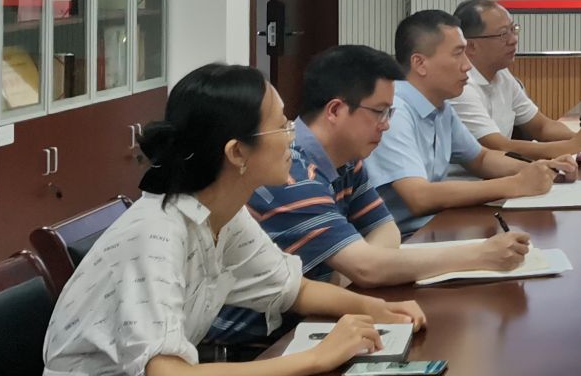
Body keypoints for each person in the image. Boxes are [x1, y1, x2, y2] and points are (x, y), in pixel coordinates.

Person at [38, 64, 427, 376]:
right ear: (237, 152)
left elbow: (292, 289)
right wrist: (316, 358)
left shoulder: (220, 213)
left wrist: (380, 309)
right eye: (281, 125)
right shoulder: (156, 233)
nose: (293, 137)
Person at [205, 46, 532, 343]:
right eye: (379, 112)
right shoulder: (290, 175)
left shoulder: (347, 159)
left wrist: (358, 268)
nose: (386, 125)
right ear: (335, 110)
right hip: (252, 344)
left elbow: (385, 229)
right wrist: (480, 254)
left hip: (308, 319)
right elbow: (368, 268)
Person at [365, 9, 565, 233]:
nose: (467, 66)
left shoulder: (441, 107)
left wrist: (541, 170)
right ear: (420, 63)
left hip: (434, 228)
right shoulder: (394, 112)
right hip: (401, 239)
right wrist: (516, 184)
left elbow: (481, 158)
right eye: (458, 54)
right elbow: (419, 197)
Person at [450, 0, 581, 163]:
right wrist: (574, 145)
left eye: (513, 29)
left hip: (501, 173)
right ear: (471, 46)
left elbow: (542, 127)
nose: (513, 40)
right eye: (503, 34)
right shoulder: (460, 87)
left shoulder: (502, 74)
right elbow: (498, 147)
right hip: (471, 177)